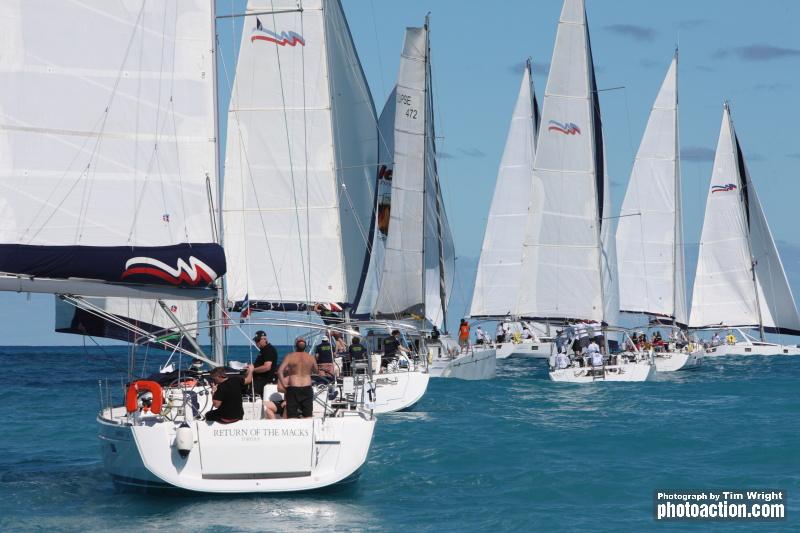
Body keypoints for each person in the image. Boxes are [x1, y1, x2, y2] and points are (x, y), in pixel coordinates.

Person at [277, 338, 317, 418]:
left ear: (295, 346)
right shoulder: (311, 357)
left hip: (293, 388)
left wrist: (284, 384)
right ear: (305, 346)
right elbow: (316, 371)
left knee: (292, 416)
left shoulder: (290, 356)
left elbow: (279, 371)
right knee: (308, 415)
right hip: (307, 387)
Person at [251, 330, 278, 397]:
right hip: (258, 379)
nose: (256, 343)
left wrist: (253, 370)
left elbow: (267, 367)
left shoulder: (269, 350)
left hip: (263, 381)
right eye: (256, 341)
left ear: (265, 339)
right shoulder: (263, 350)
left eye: (258, 340)